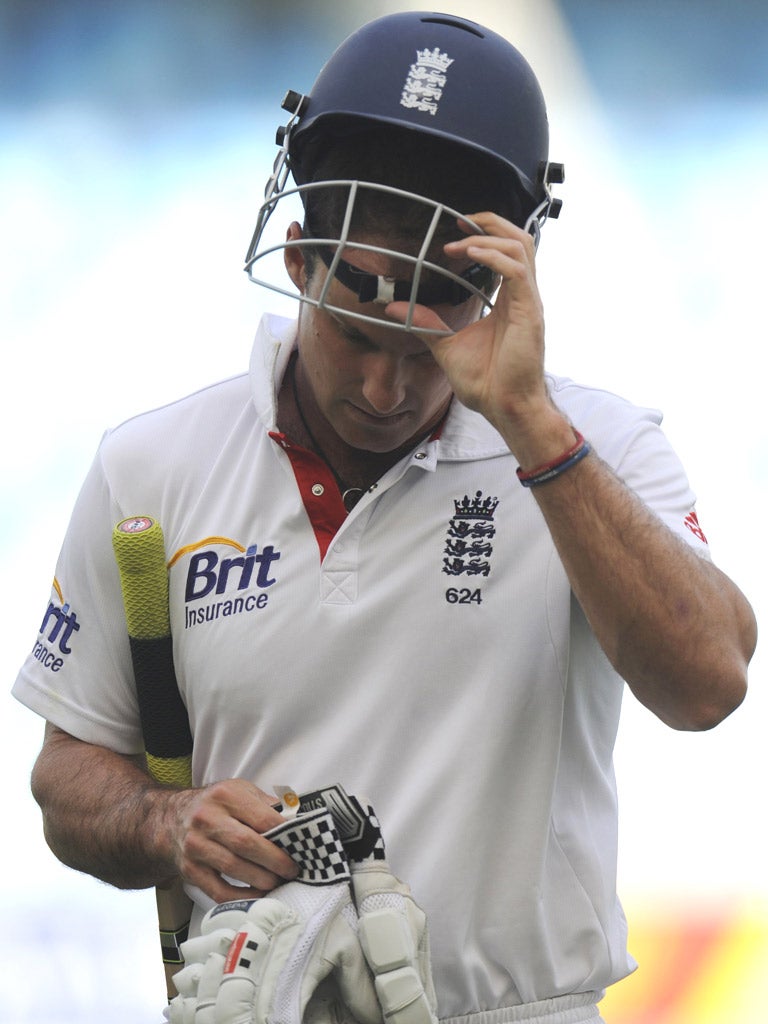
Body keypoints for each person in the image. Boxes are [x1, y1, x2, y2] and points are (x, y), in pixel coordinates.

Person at [13, 11, 756, 1024]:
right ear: (300, 257)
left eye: (425, 348)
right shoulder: (152, 467)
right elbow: (67, 778)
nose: (381, 386)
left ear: (497, 297)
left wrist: (534, 426)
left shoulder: (596, 445)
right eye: (355, 332)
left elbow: (710, 682)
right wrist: (166, 820)